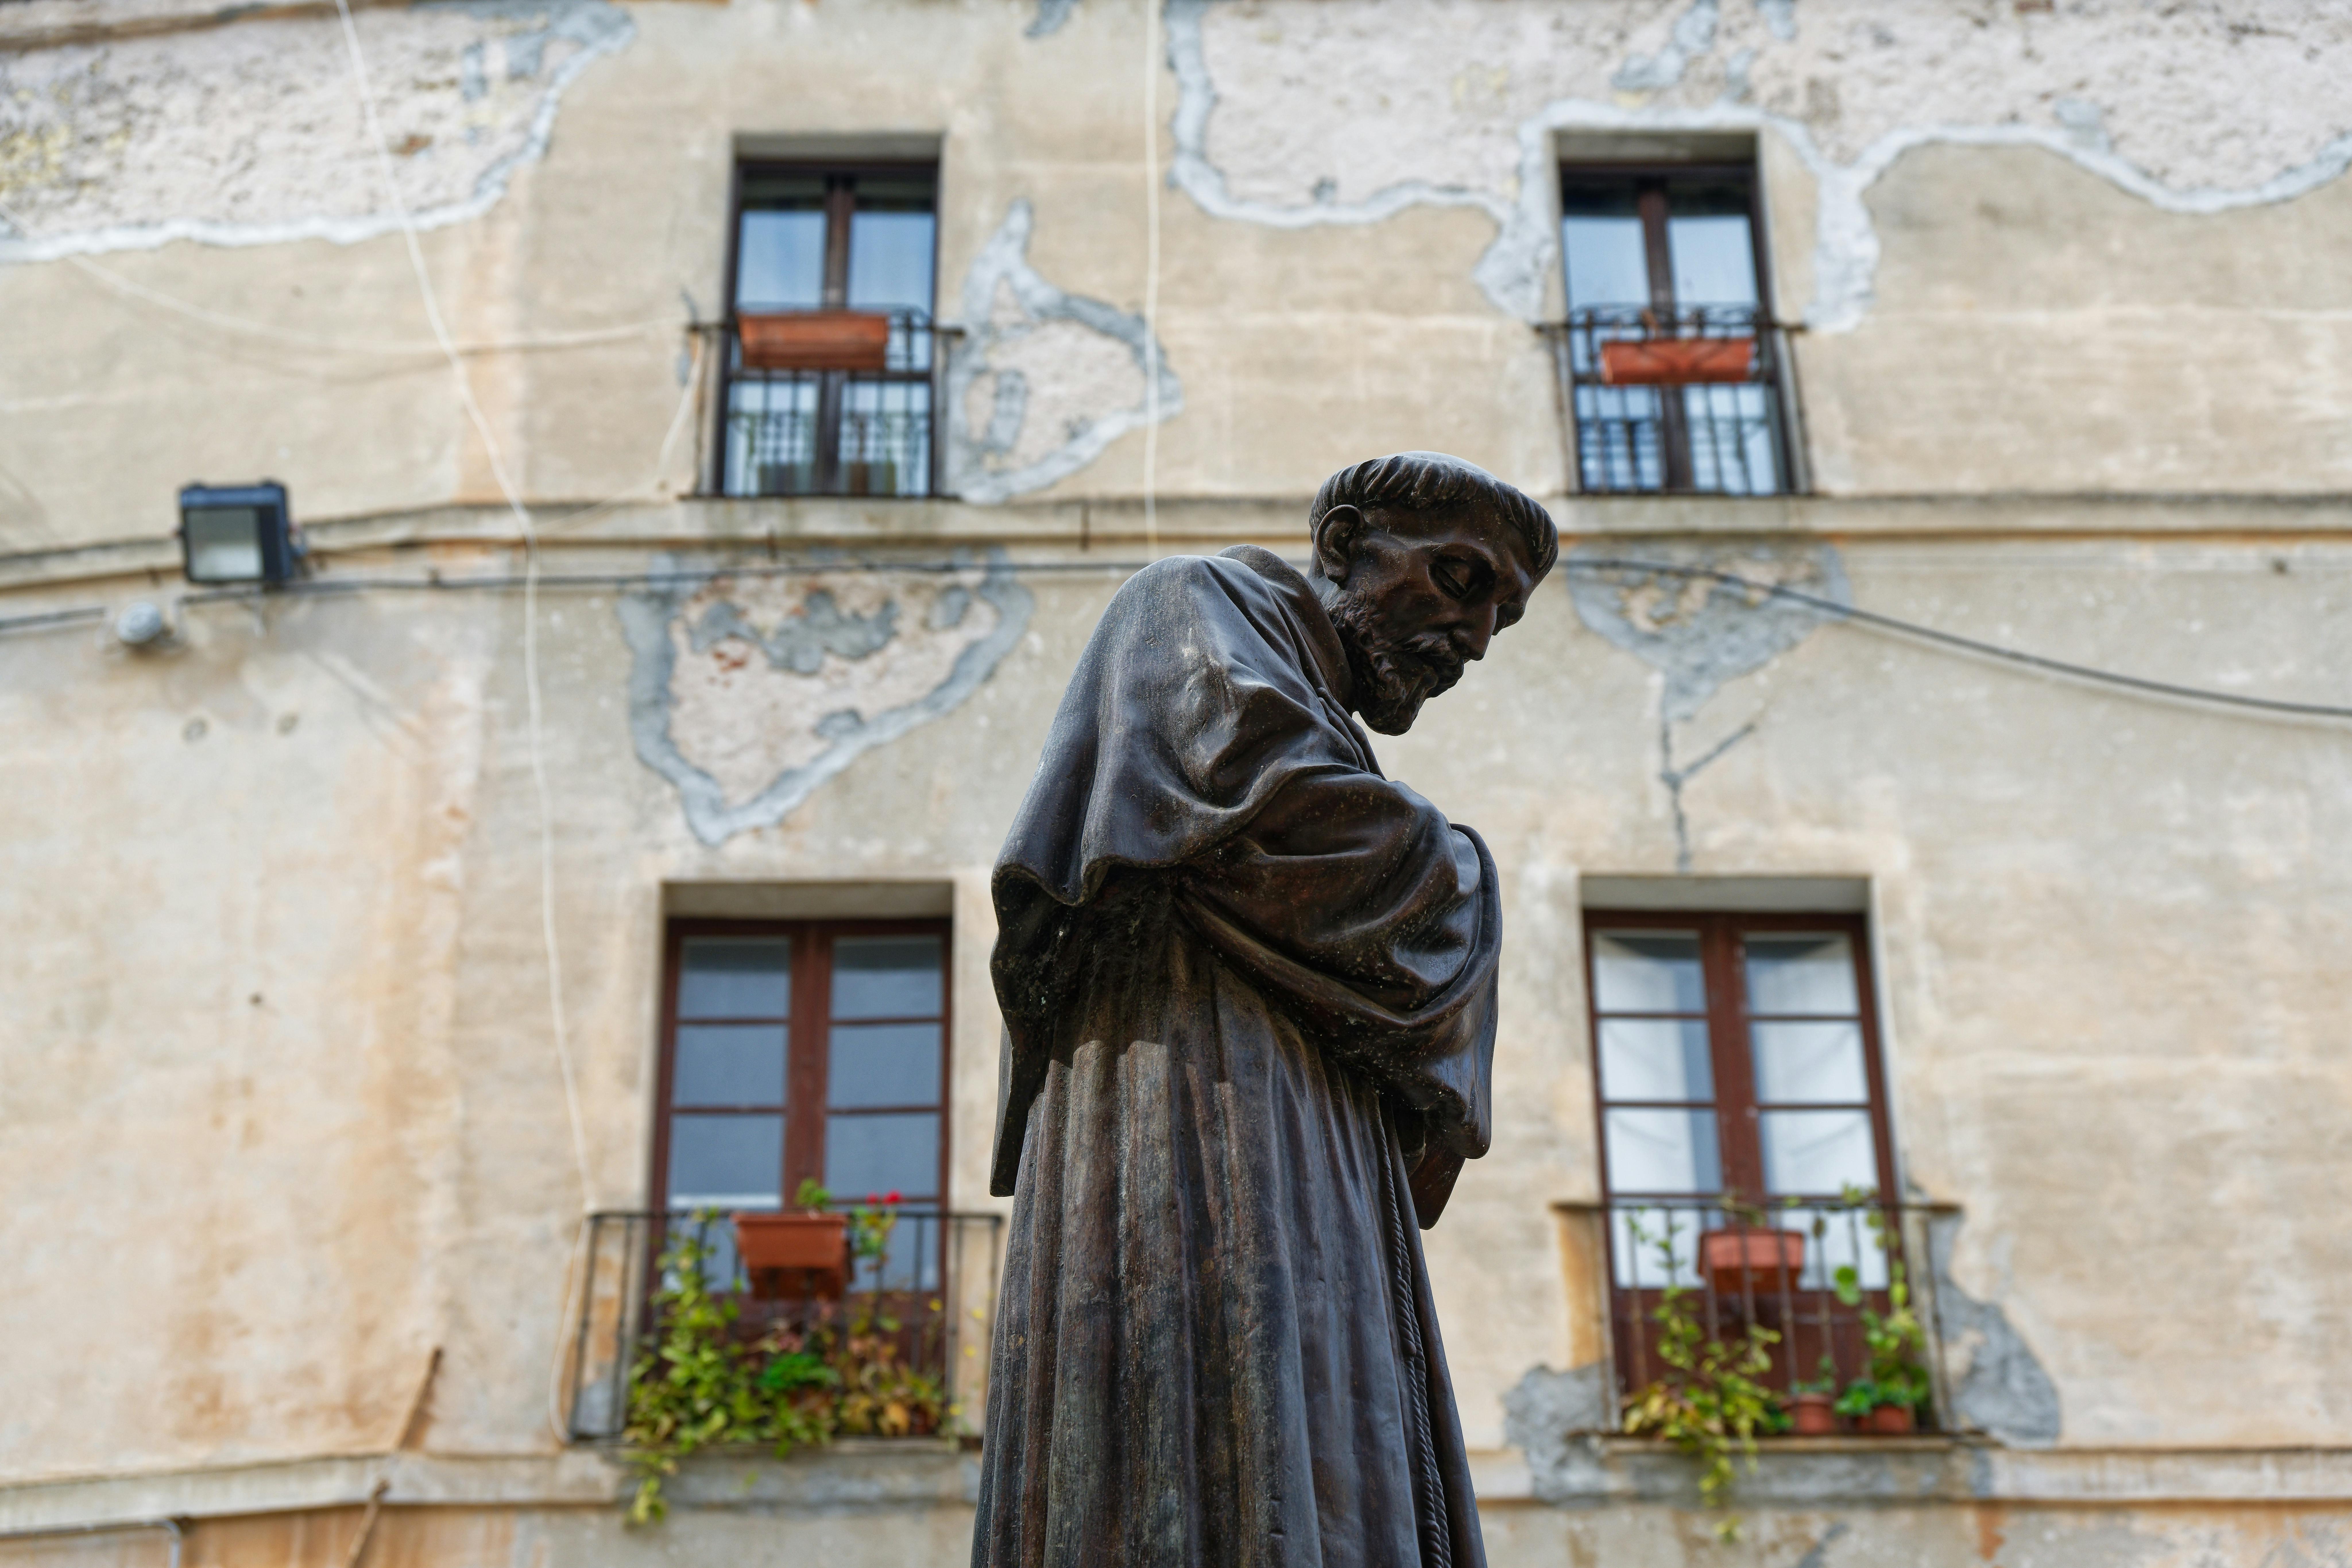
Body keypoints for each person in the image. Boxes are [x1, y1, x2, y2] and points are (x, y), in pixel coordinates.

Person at [974, 452, 1556, 1568]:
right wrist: (1468, 888)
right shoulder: (1190, 606)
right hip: (1195, 1106)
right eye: (1457, 576)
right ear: (1342, 548)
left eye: (1500, 615)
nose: (1474, 634)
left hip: (1307, 1142)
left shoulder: (1314, 711)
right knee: (1207, 1459)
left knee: (1326, 1466)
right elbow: (1275, 819)